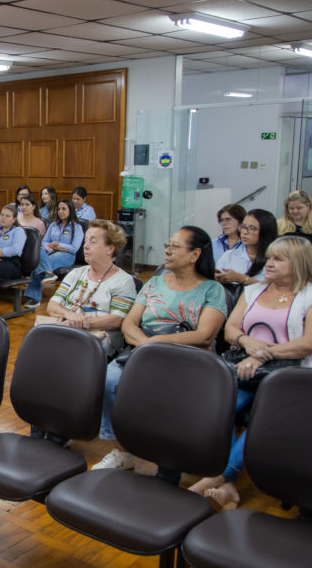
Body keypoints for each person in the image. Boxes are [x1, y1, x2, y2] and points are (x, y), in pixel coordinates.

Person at [189, 236, 312, 509]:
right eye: (269, 257)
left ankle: (219, 476)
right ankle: (229, 485)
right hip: (247, 370)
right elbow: (231, 329)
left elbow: (311, 343)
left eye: (279, 259)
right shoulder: (254, 291)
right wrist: (246, 342)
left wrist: (260, 355)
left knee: (262, 415)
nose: (269, 263)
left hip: (296, 379)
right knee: (221, 406)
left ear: (299, 263)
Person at [92, 226, 228, 474]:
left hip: (186, 357)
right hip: (145, 351)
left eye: (175, 246)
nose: (167, 250)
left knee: (171, 395)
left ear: (195, 254)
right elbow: (129, 324)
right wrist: (148, 346)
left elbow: (204, 335)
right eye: (168, 245)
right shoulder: (154, 283)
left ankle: (169, 460)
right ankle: (122, 451)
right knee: (110, 380)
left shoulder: (212, 289)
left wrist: (154, 344)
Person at [45, 220, 137, 357]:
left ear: (110, 249)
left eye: (93, 242)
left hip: (98, 339)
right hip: (67, 329)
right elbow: (52, 306)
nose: (85, 246)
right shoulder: (76, 273)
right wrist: (70, 316)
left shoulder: (124, 281)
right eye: (86, 240)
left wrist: (82, 323)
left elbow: (117, 319)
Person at [23, 200, 84, 308]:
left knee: (39, 264)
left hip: (67, 255)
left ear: (70, 210)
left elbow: (74, 248)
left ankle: (34, 297)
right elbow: (44, 242)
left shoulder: (77, 227)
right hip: (51, 251)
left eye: (63, 209)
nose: (60, 211)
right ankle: (47, 274)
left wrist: (59, 245)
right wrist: (51, 246)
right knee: (39, 250)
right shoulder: (53, 225)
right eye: (59, 209)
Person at [215, 208, 277, 287]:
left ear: (265, 231)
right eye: (243, 227)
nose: (244, 232)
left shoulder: (275, 259)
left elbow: (275, 288)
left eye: (252, 228)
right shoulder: (229, 255)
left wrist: (241, 278)